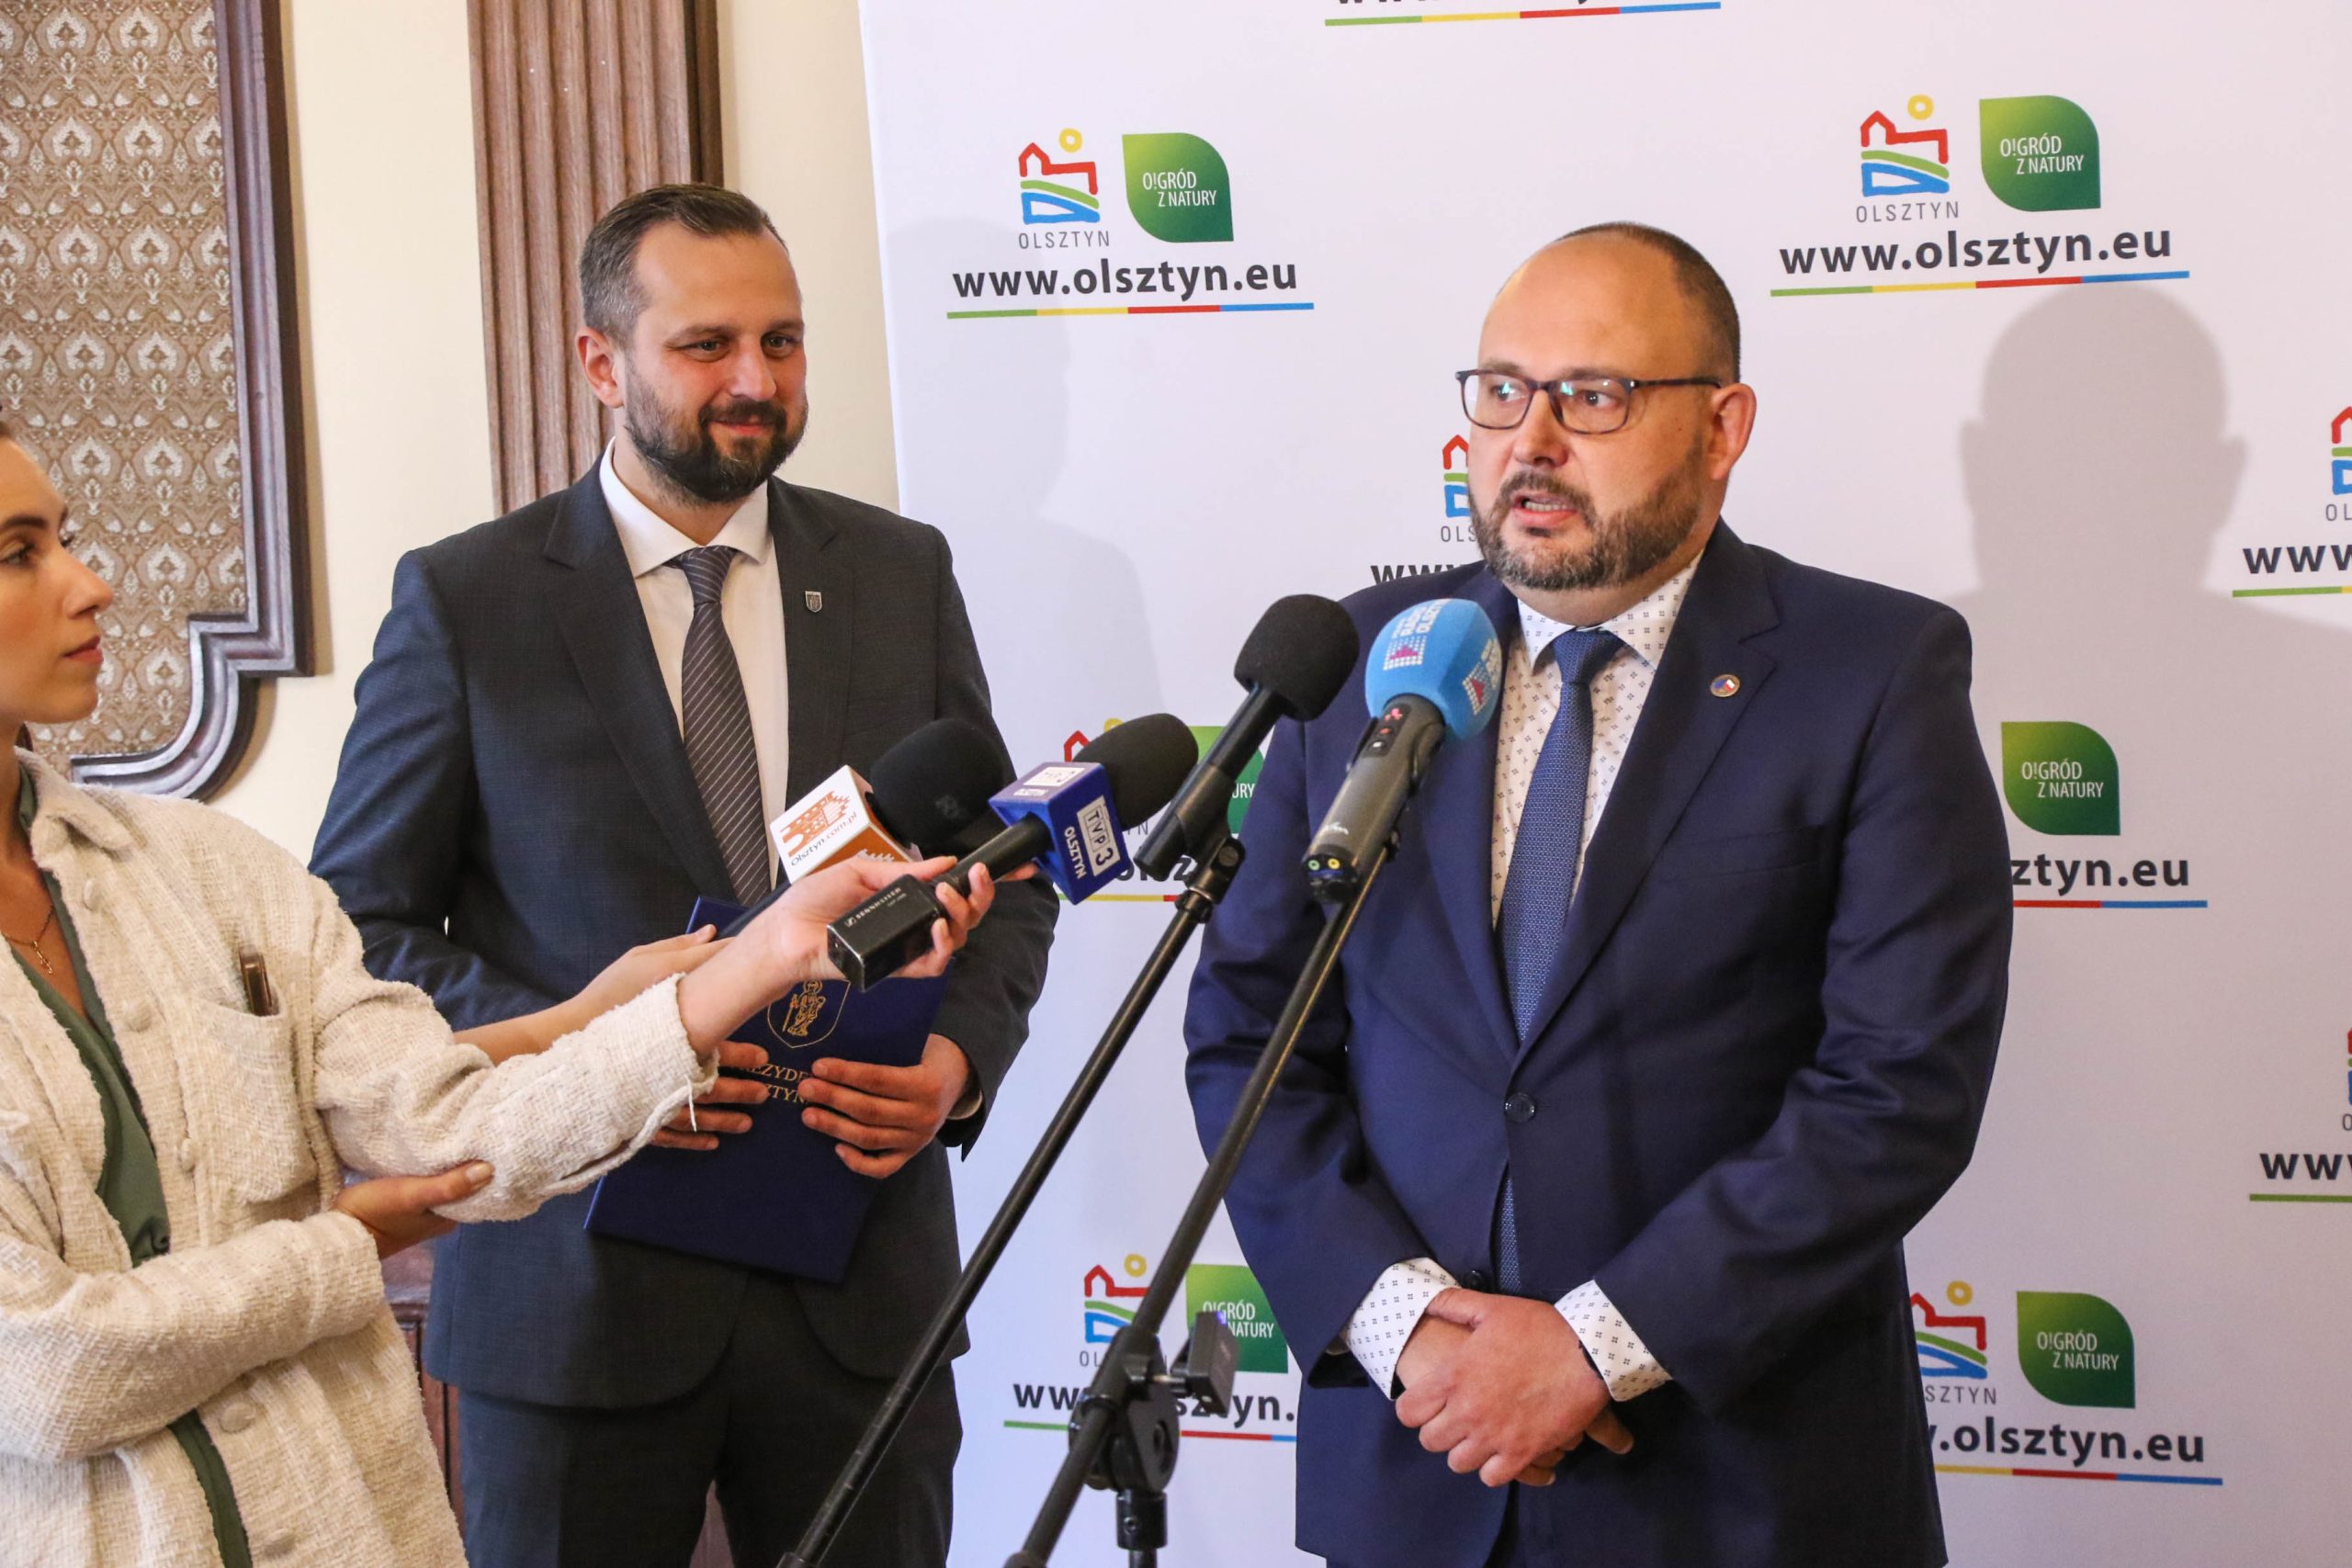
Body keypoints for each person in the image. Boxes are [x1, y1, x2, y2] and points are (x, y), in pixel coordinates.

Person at [0, 419, 998, 1568]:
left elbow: (446, 1118)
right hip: (558, 1325)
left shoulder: (209, 871)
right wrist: (348, 1245)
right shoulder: (462, 594)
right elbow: (48, 1377)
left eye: (65, 536)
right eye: (21, 552)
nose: (92, 583)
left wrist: (749, 963)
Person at [1183, 224, 2012, 1568]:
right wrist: (1404, 1325)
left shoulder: (1869, 672)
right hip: (1418, 1461)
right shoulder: (1366, 662)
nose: (1533, 440)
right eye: (1502, 391)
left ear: (1723, 426)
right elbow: (1250, 1036)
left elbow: (1898, 1085)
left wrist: (1592, 1346)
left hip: (1734, 1487)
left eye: (1595, 395)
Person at [310, 184, 1057, 1567]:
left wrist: (954, 1064)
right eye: (707, 345)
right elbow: (359, 935)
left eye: (782, 342)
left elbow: (1008, 872)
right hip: (576, 1298)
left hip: (859, 1297)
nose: (756, 381)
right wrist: (610, 1057)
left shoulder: (898, 572)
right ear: (601, 362)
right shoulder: (468, 600)